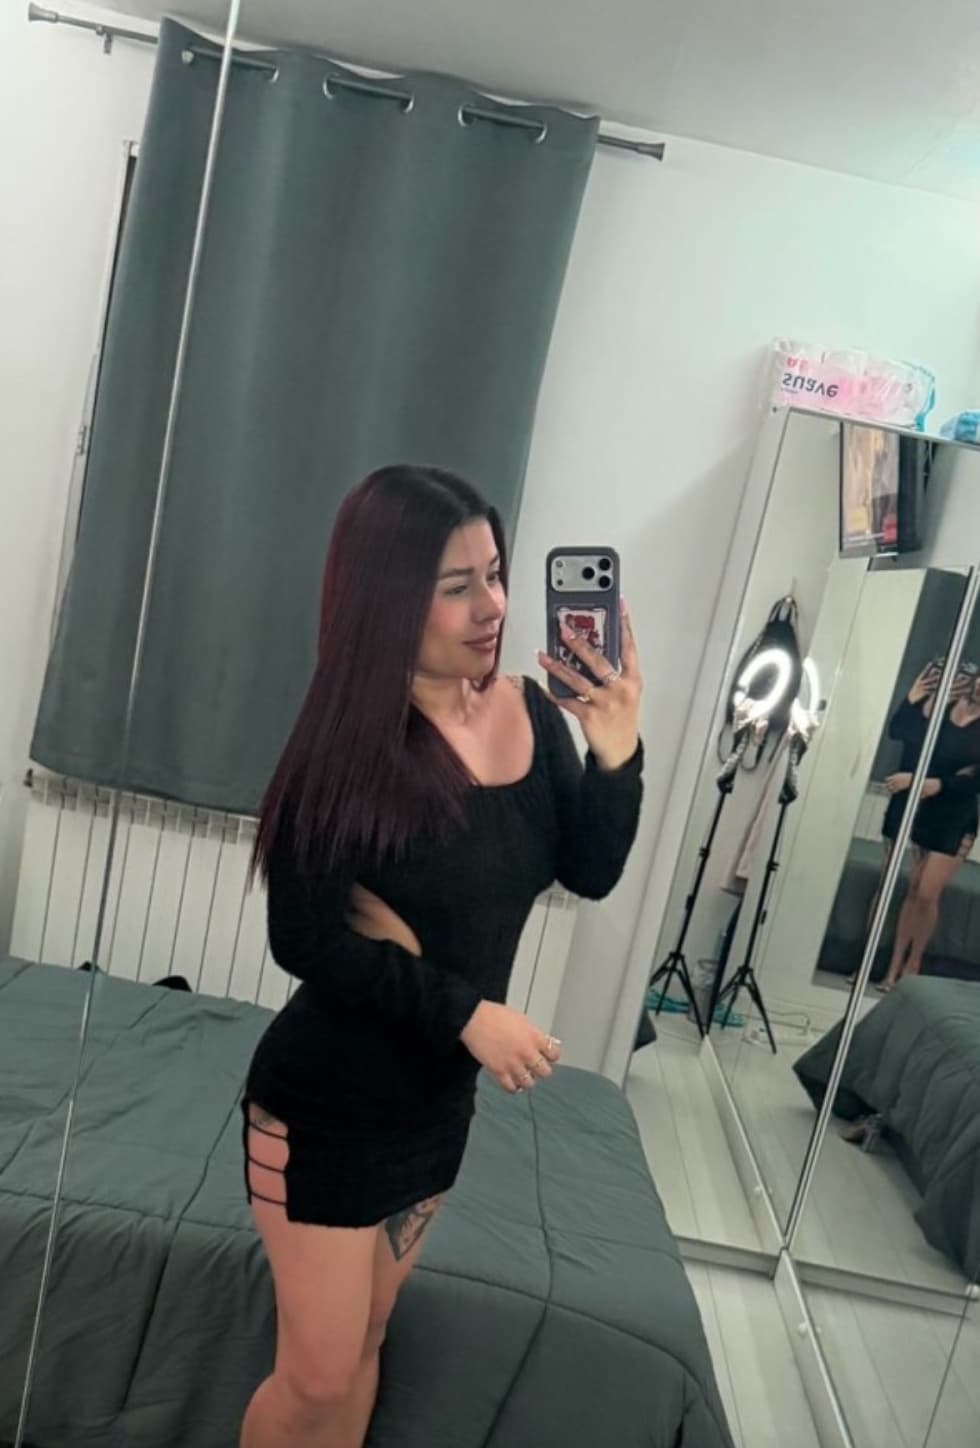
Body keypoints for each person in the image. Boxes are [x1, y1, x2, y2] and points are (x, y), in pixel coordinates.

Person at [238, 465, 644, 1448]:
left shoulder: (532, 715)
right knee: (314, 1376)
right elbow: (304, 937)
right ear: (385, 599)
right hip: (328, 1108)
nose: (493, 605)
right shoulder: (347, 747)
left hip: (434, 1107)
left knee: (370, 1336)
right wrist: (465, 1011)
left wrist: (616, 751)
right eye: (456, 585)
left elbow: (588, 869)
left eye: (495, 573)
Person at [875, 658, 980, 992]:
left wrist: (939, 784)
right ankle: (892, 968)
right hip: (924, 807)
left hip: (956, 815)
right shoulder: (945, 706)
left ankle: (913, 964)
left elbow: (975, 779)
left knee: (927, 892)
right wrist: (915, 697)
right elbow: (904, 734)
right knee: (912, 889)